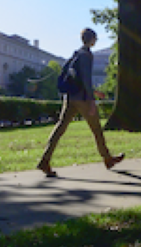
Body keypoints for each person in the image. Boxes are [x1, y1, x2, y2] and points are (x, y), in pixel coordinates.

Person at [36, 28, 124, 177]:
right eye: (95, 39)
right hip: (82, 99)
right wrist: (91, 100)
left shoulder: (76, 53)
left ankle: (45, 160)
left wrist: (94, 92)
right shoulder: (87, 55)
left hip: (70, 97)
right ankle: (107, 158)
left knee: (60, 128)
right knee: (96, 129)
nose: (96, 41)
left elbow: (78, 78)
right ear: (92, 39)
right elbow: (85, 79)